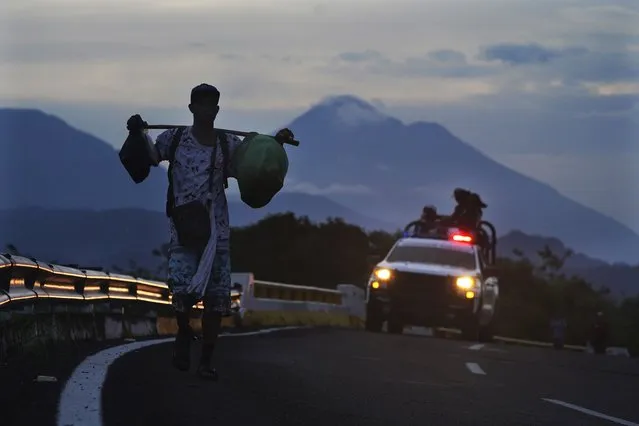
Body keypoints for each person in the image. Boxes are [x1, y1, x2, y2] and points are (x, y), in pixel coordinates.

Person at [125, 83, 291, 380]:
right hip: (183, 228)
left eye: (213, 105)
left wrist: (275, 143)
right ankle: (184, 331)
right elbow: (150, 156)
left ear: (217, 109)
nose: (208, 110)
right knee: (181, 292)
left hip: (217, 230)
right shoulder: (174, 139)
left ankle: (206, 361)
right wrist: (138, 132)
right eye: (202, 105)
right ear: (191, 108)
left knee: (216, 299)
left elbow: (253, 161)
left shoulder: (228, 145)